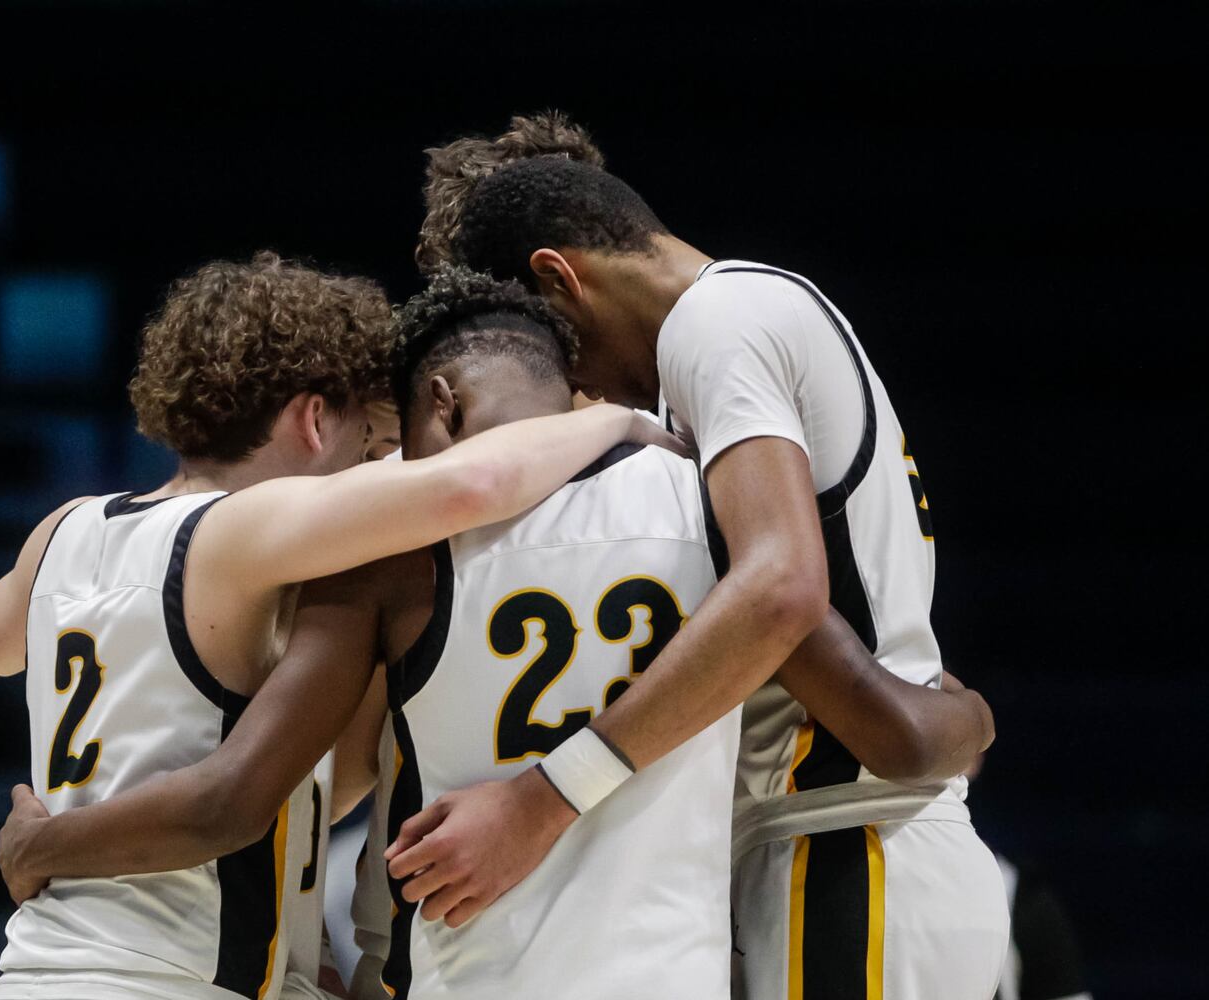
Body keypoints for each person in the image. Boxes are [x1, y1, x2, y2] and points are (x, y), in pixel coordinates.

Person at [0, 269, 994, 1000]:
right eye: (366, 445)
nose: (377, 472)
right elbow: (889, 731)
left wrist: (53, 836)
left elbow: (11, 645)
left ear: (440, 402)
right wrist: (971, 715)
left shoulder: (353, 564)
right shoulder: (709, 513)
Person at [389, 123, 1010, 1000]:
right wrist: (954, 722)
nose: (583, 387)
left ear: (557, 278)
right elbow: (885, 705)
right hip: (861, 850)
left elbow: (778, 593)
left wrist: (543, 798)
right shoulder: (755, 323)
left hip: (845, 855)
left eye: (562, 352)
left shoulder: (717, 322)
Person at [0, 252, 673, 1000]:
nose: (372, 468)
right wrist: (612, 416)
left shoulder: (62, 530)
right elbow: (473, 482)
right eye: (369, 445)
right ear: (313, 421)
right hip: (159, 979)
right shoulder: (241, 530)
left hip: (47, 964)